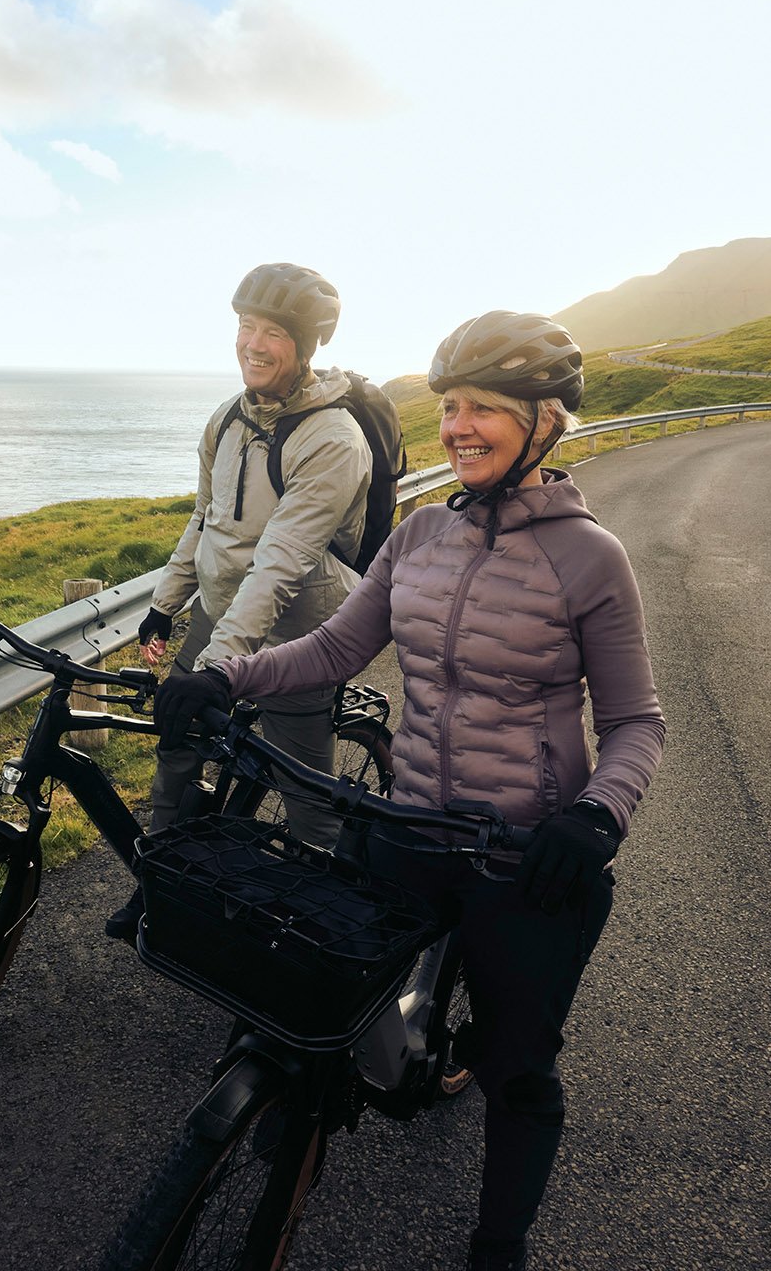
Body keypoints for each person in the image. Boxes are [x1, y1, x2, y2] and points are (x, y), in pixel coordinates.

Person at [157, 311, 665, 1271]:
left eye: (486, 410)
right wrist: (226, 673)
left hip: (521, 855)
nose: (460, 426)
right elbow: (339, 647)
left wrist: (598, 815)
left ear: (546, 422)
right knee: (300, 990)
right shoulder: (423, 534)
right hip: (403, 823)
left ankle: (498, 1246)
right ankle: (286, 1122)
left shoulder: (591, 558)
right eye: (450, 408)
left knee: (519, 1070)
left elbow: (638, 722)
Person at [110, 263, 375, 939]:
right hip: (219, 613)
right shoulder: (226, 420)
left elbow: (279, 565)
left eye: (273, 333)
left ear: (307, 344)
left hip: (297, 634)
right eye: (245, 327)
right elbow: (205, 519)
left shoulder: (334, 440)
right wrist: (165, 606)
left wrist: (217, 668)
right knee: (177, 749)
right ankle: (158, 883)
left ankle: (323, 928)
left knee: (307, 795)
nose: (253, 344)